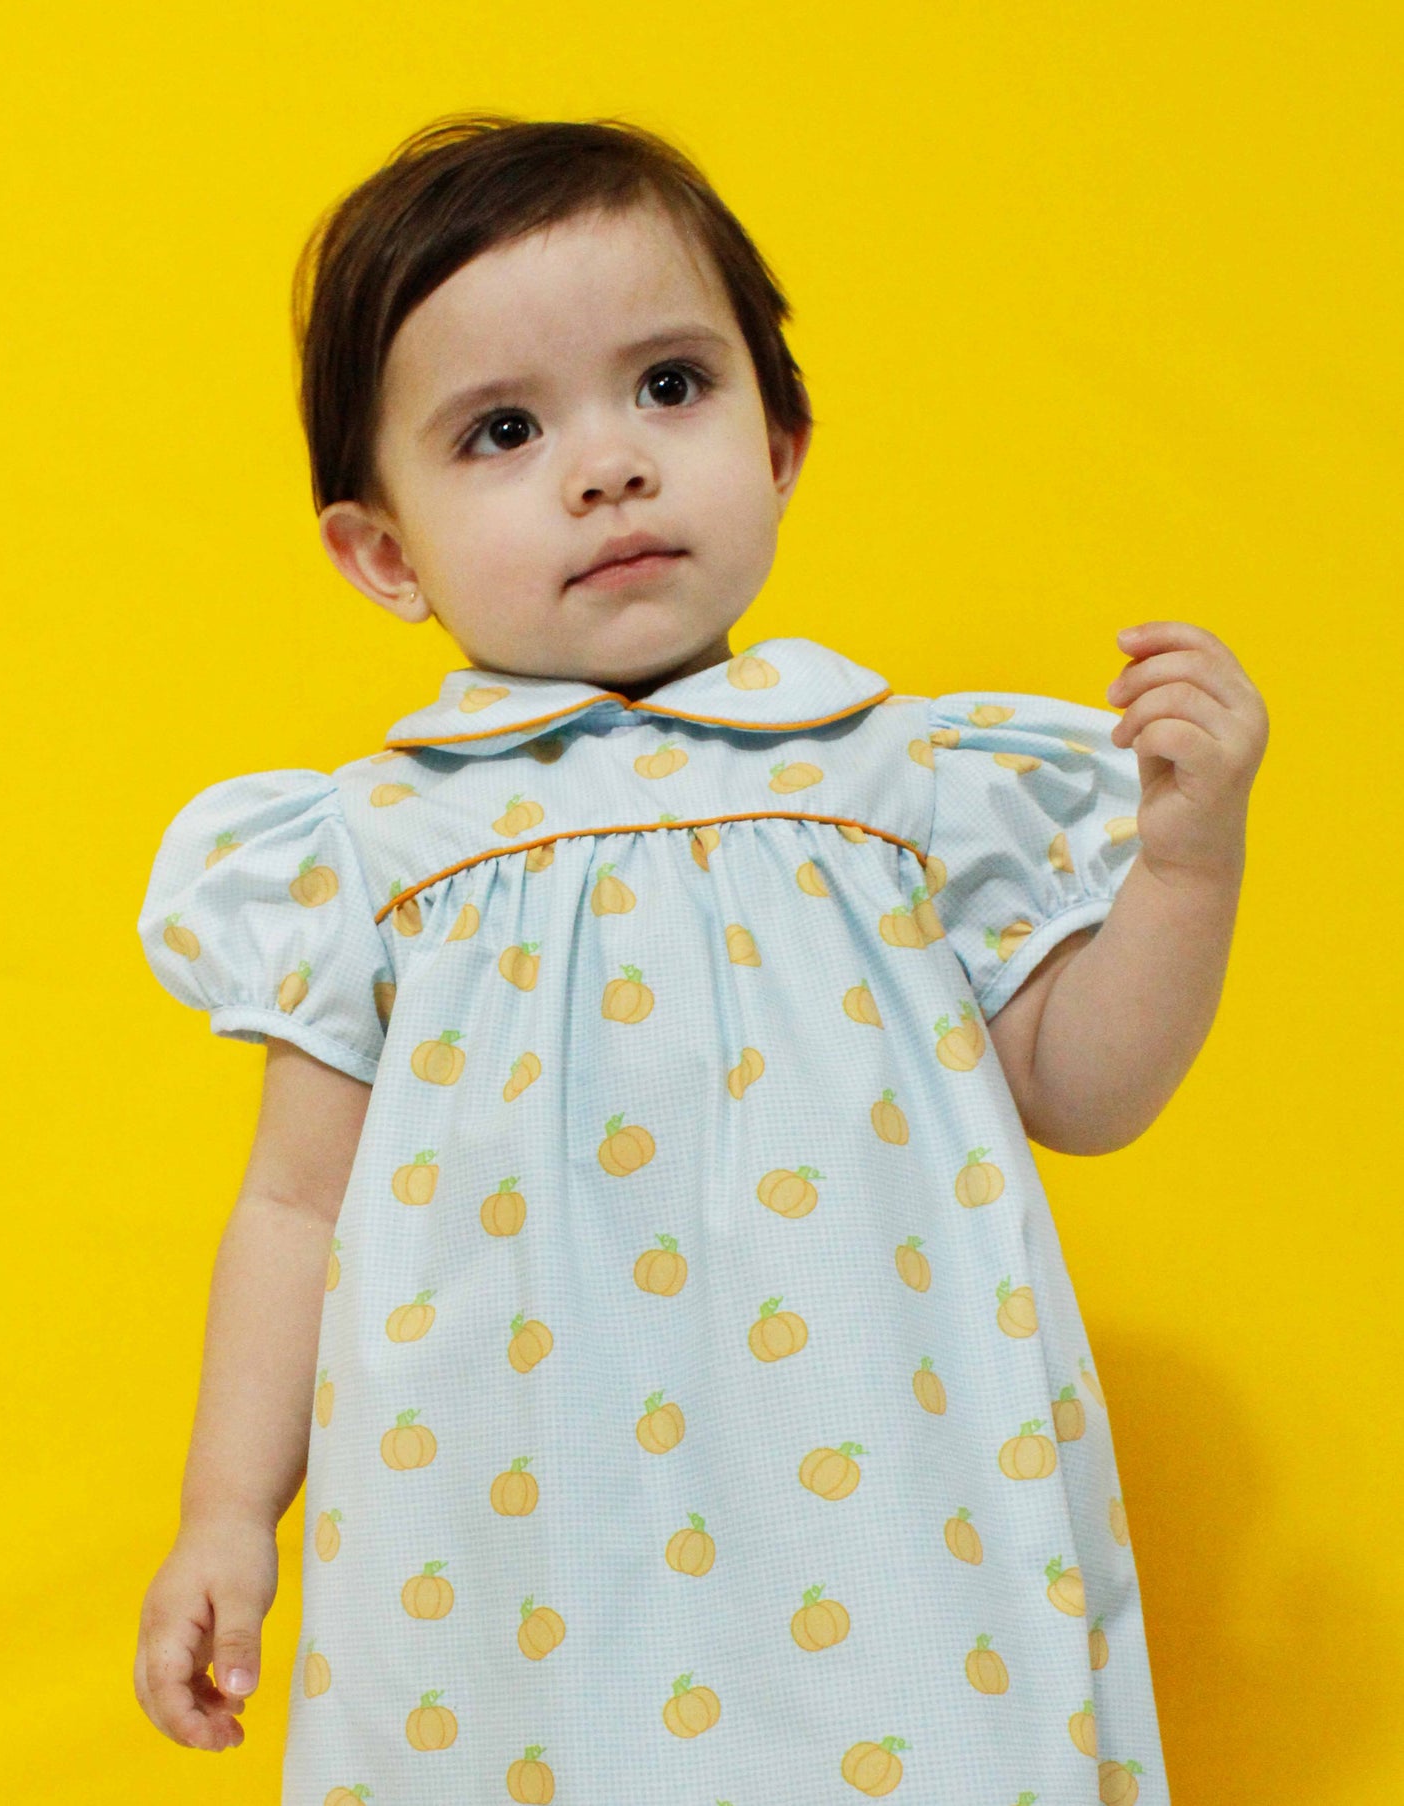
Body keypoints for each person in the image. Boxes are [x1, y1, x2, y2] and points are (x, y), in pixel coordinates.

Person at [133, 112, 1268, 1804]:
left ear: (781, 438)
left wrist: (1183, 860)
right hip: (503, 1500)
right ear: (383, 551)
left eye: (669, 386)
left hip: (880, 1485)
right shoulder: (381, 845)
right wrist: (227, 1508)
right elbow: (297, 1206)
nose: (607, 466)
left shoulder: (899, 781)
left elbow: (1082, 1091)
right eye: (503, 429)